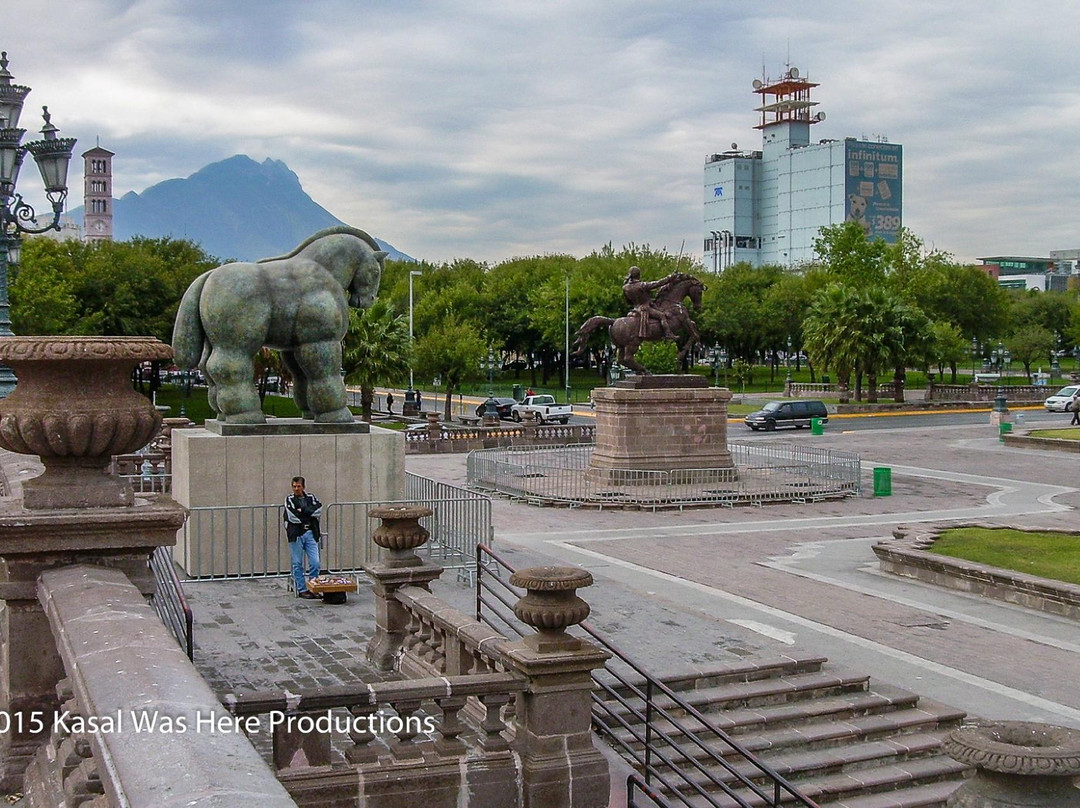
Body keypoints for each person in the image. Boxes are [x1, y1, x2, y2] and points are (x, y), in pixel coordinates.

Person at [284, 476, 322, 599]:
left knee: (315, 562)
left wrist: (303, 510)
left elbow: (318, 510)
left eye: (298, 486)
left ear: (303, 487)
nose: (296, 489)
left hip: (310, 532)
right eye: (294, 486)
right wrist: (308, 514)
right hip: (296, 534)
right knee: (297, 563)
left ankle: (313, 586)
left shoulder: (311, 497)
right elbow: (292, 516)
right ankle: (302, 589)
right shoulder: (289, 499)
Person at [622, 266, 677, 339]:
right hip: (645, 308)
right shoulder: (642, 285)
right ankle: (668, 334)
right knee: (662, 316)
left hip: (635, 308)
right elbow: (658, 283)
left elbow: (628, 302)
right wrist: (670, 277)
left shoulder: (625, 287)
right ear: (638, 275)